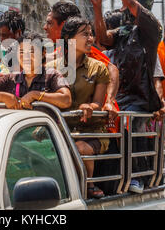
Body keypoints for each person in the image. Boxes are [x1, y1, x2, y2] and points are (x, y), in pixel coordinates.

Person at [88, 0, 162, 194]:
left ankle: (137, 177)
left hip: (141, 100)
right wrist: (97, 7)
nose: (123, 9)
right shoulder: (124, 33)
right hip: (120, 99)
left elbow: (130, 1)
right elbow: (101, 38)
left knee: (131, 128)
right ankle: (112, 180)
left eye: (127, 6)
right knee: (112, 131)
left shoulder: (150, 29)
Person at [48, 17, 111, 198]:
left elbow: (98, 103)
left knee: (80, 147)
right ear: (69, 39)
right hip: (61, 130)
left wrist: (90, 106)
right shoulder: (51, 69)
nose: (91, 39)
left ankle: (87, 185)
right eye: (85, 34)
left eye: (91, 34)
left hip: (92, 131)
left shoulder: (98, 68)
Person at [43, 1, 120, 124]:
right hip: (62, 126)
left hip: (95, 125)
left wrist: (109, 102)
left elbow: (112, 70)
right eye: (85, 34)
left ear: (64, 26)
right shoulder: (53, 57)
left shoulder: (88, 54)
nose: (45, 27)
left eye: (49, 23)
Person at [0, 32, 71, 110]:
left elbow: (66, 100)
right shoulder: (12, 78)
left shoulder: (52, 75)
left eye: (32, 51)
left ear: (43, 53)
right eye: (21, 52)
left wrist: (35, 95)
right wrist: (4, 97)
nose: (26, 57)